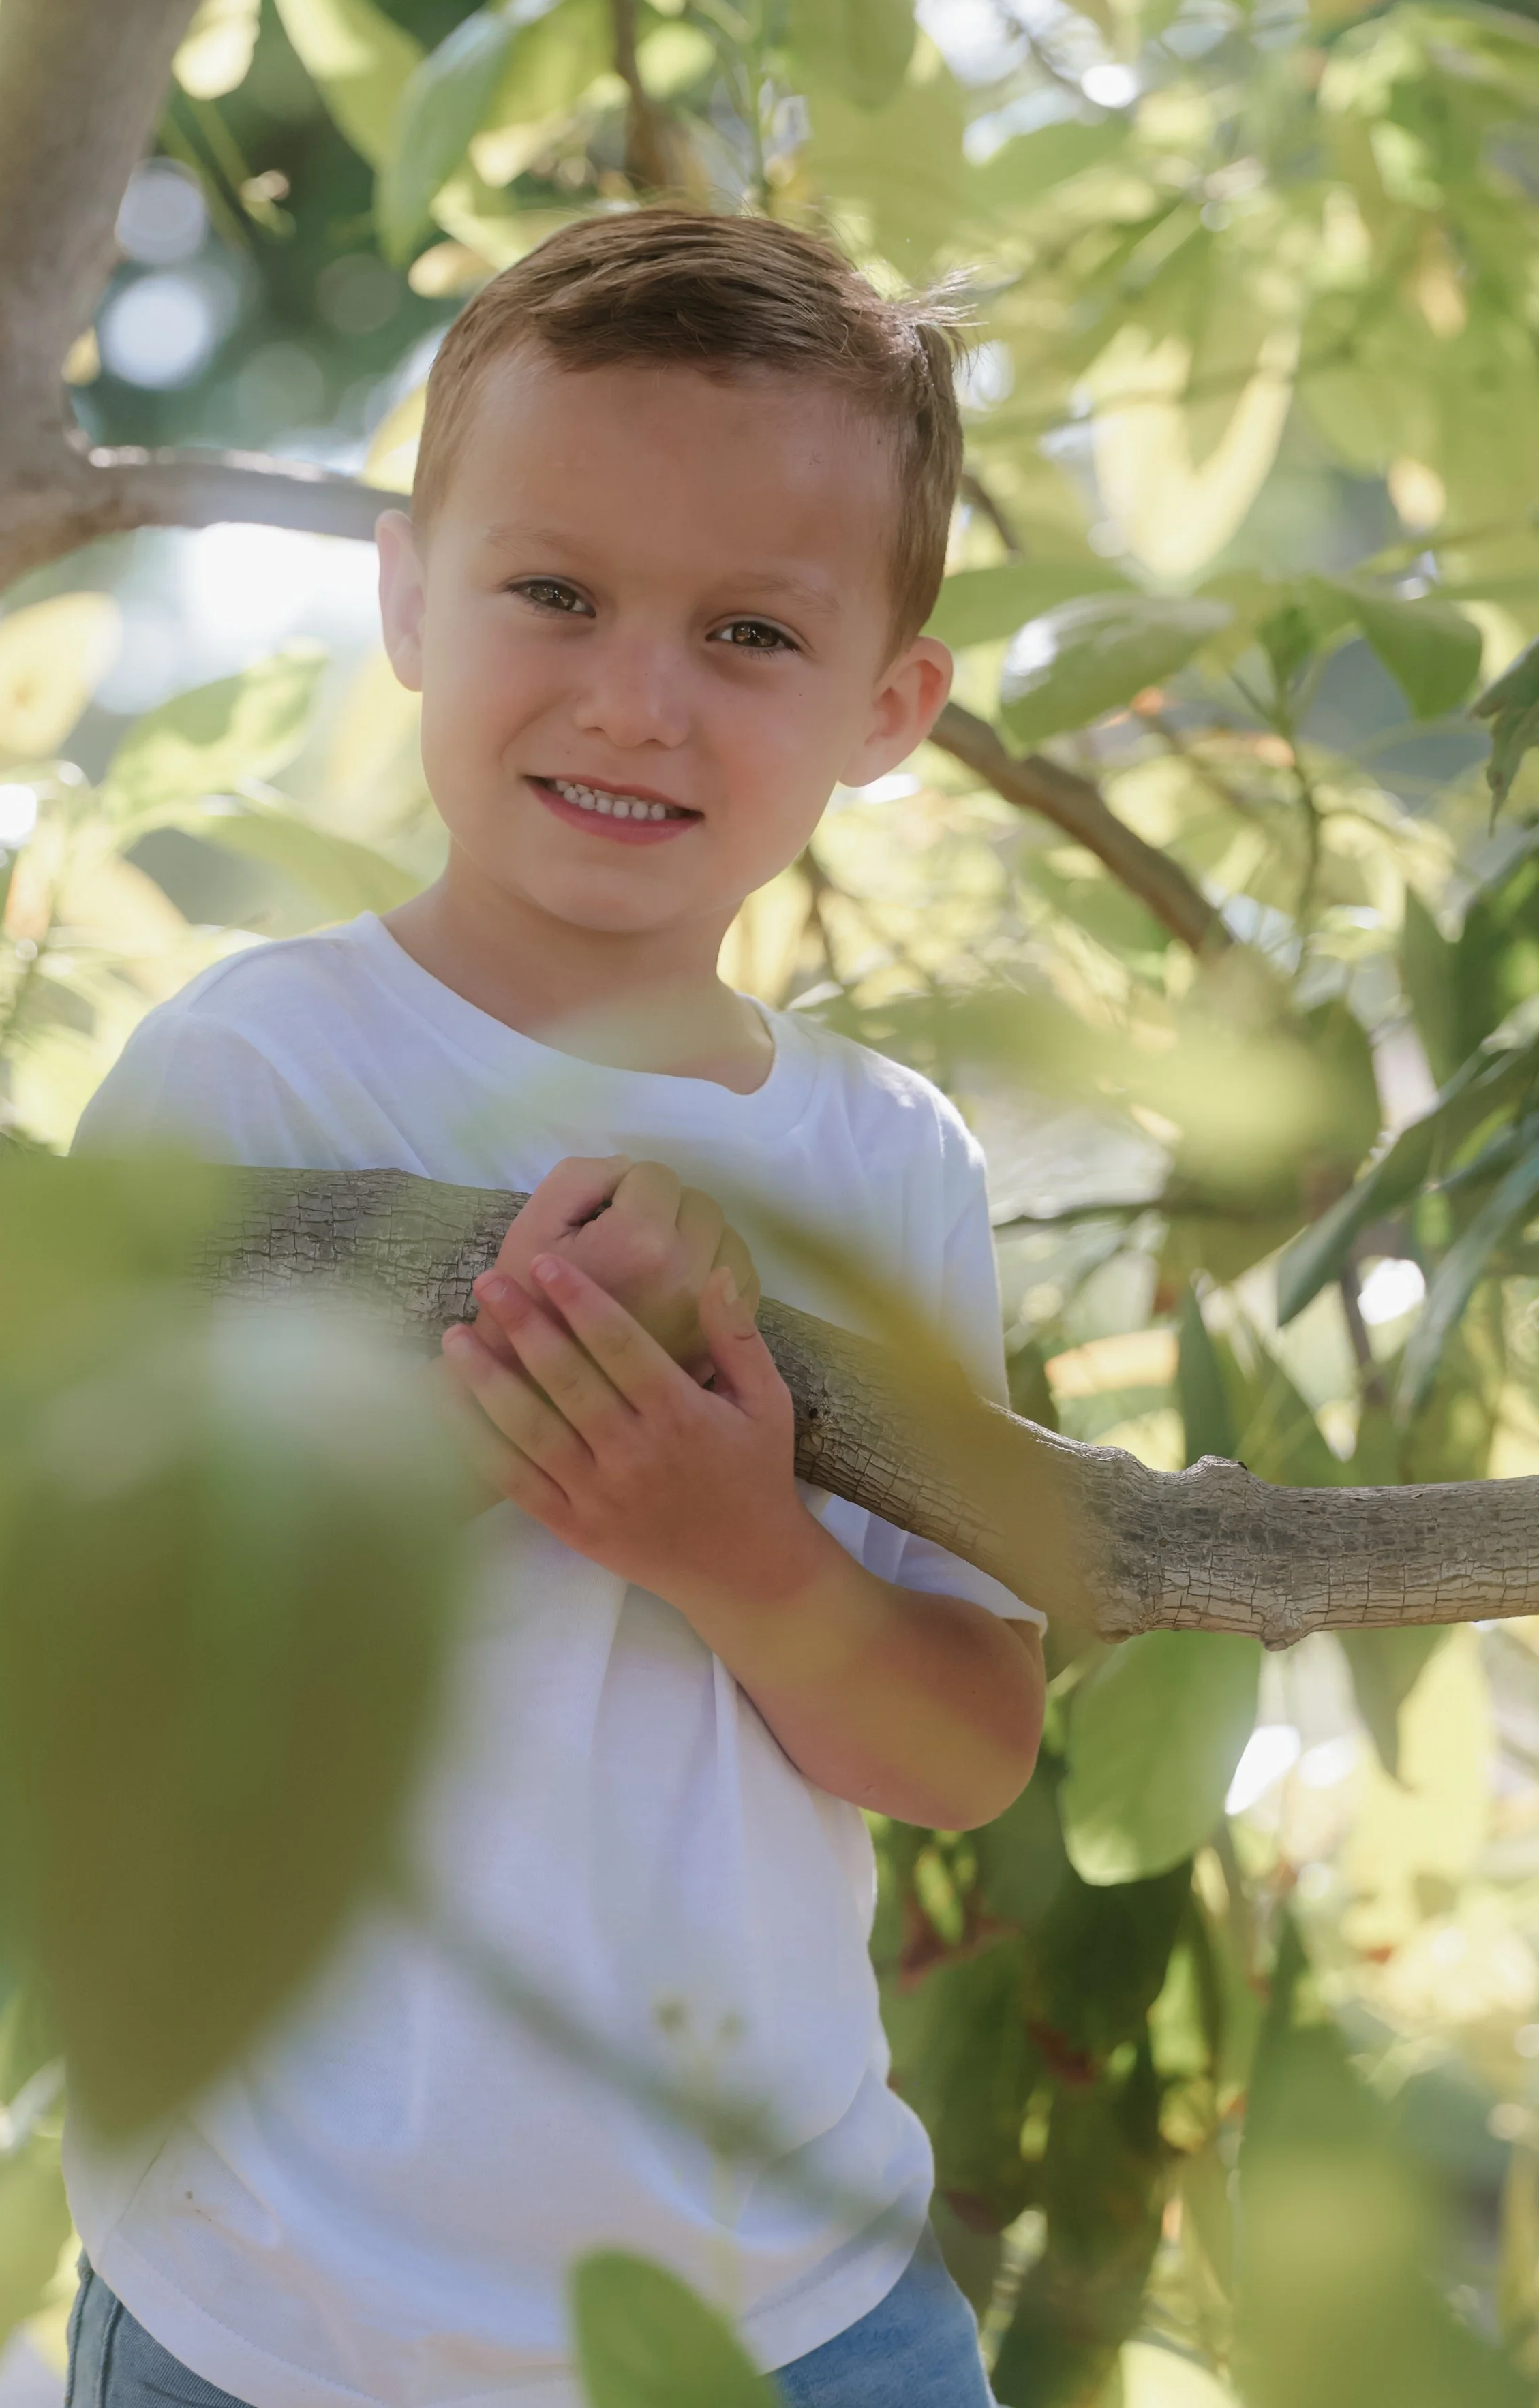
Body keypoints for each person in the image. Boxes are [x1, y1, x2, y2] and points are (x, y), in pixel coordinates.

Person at [62, 209, 1048, 2408]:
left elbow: (965, 1745)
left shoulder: (885, 1169)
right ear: (408, 596)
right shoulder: (253, 1074)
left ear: (887, 708)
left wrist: (743, 1558)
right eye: (555, 592)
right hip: (273, 2306)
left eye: (748, 631)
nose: (634, 695)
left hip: (785, 2308)